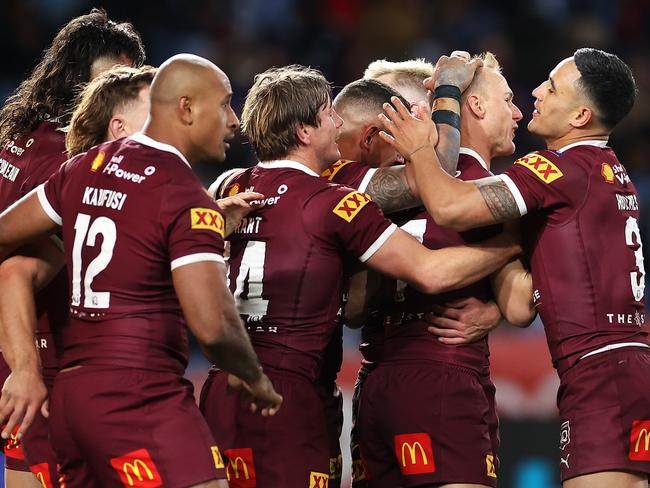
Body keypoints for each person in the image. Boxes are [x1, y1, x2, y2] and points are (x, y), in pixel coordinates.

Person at [199, 64, 521, 487]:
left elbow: (351, 307)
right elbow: (430, 261)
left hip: (223, 385)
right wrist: (516, 244)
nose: (338, 123)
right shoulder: (339, 200)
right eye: (328, 114)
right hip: (291, 387)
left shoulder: (227, 187)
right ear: (304, 131)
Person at [0, 53, 282, 487]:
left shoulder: (81, 169)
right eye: (224, 103)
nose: (234, 121)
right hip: (138, 393)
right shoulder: (183, 195)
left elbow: (6, 236)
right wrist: (253, 375)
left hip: (73, 399)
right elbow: (214, 327)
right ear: (185, 109)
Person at [381, 49, 649, 488]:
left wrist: (419, 151)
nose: (536, 94)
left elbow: (449, 206)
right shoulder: (608, 171)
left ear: (581, 115)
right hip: (618, 366)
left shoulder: (554, 170)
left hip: (601, 374)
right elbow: (522, 303)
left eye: (552, 87)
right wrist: (499, 291)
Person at [356, 52, 535, 488]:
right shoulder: (491, 192)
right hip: (444, 373)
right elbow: (520, 308)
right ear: (474, 106)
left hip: (374, 375)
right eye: (507, 99)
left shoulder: (380, 183)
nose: (518, 112)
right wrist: (526, 241)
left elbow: (351, 304)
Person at [0, 9, 145, 487]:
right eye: (115, 78)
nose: (120, 93)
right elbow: (20, 269)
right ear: (81, 77)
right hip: (42, 356)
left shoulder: (15, 136)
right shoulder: (73, 163)